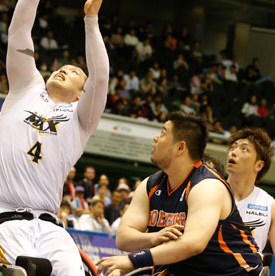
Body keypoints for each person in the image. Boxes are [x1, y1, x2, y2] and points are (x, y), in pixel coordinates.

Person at [0, 0, 114, 276]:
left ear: (82, 94)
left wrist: (91, 20)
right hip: (0, 216)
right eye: (63, 66)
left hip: (50, 226)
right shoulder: (26, 88)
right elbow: (19, 32)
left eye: (75, 72)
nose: (65, 68)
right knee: (25, 272)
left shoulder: (82, 118)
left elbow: (101, 77)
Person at [97, 112, 263, 276]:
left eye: (163, 133)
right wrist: (153, 238)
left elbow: (193, 243)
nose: (155, 138)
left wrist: (133, 260)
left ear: (180, 147)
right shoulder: (150, 185)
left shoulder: (207, 186)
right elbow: (123, 238)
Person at [225, 128, 275, 276]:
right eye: (233, 147)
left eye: (244, 149)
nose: (233, 152)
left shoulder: (271, 207)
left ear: (259, 165)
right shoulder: (208, 191)